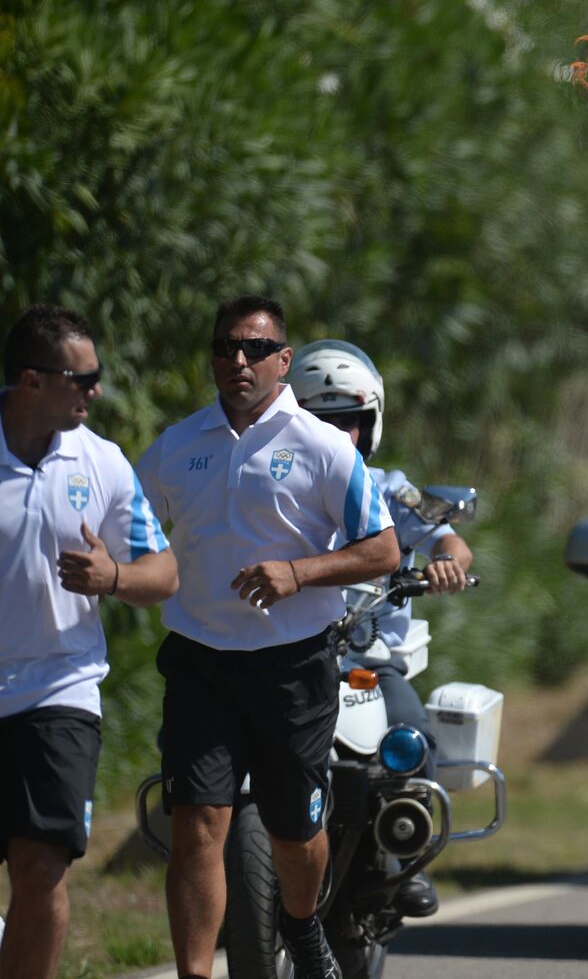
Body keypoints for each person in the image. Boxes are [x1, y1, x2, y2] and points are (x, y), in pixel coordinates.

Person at [137, 296, 400, 979]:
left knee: (294, 831)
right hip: (201, 662)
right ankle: (196, 972)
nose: (238, 361)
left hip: (293, 666)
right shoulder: (177, 447)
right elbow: (131, 529)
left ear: (284, 361)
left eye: (255, 349)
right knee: (198, 824)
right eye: (226, 347)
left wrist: (298, 572)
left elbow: (383, 552)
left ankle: (302, 920)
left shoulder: (321, 447)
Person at [0, 304, 177, 979]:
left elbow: (165, 573)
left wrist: (114, 576)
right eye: (84, 377)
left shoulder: (101, 461)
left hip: (59, 688)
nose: (97, 389)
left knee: (42, 865)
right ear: (32, 381)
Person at [286, 338, 472, 918]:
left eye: (350, 422)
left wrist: (448, 563)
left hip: (366, 667)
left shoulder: (390, 489)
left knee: (410, 736)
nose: (339, 436)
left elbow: (448, 539)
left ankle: (401, 856)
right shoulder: (274, 490)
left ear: (371, 426)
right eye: (321, 422)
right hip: (289, 657)